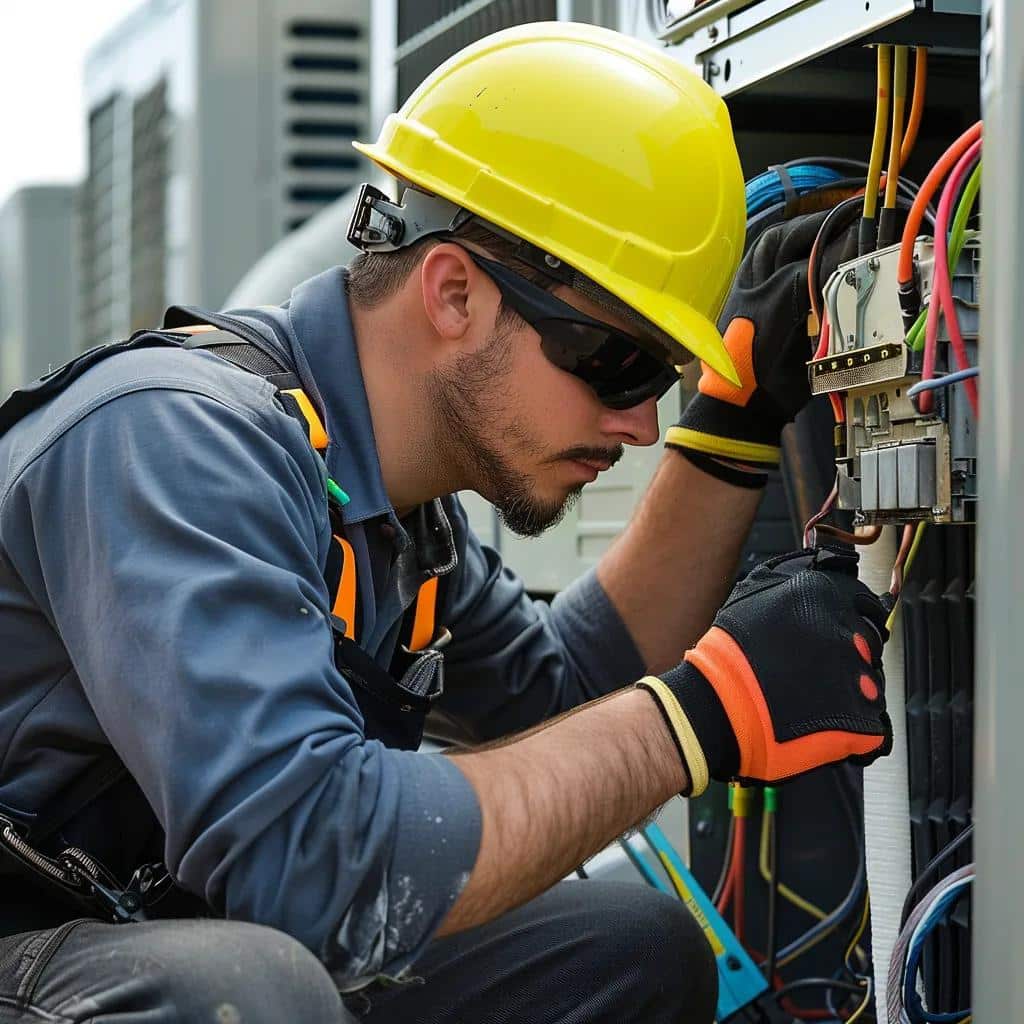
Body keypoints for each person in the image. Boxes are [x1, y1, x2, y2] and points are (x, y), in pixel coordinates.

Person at [0, 21, 889, 1024]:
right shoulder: (173, 439)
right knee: (248, 991)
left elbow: (571, 695)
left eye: (665, 379)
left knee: (630, 949)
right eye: (618, 364)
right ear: (454, 291)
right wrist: (702, 714)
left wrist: (733, 424)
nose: (643, 424)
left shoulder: (391, 514)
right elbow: (311, 864)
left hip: (144, 939)